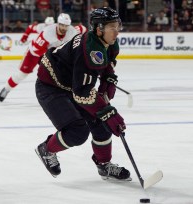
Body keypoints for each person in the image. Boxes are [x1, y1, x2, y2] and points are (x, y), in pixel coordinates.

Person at [34, 7, 131, 181]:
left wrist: (108, 78)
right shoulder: (89, 49)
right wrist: (108, 112)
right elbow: (82, 92)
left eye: (118, 25)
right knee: (77, 132)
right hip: (51, 87)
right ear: (99, 28)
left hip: (73, 85)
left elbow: (107, 63)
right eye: (112, 26)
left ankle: (104, 165)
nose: (117, 31)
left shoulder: (109, 42)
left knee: (101, 126)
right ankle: (46, 149)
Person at [0, 13, 77, 102]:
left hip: (50, 53)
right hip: (34, 53)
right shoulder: (47, 32)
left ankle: (59, 95)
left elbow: (81, 34)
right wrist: (25, 36)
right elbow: (36, 50)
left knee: (59, 74)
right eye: (62, 25)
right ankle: (7, 89)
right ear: (57, 24)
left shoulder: (72, 32)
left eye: (66, 26)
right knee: (22, 74)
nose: (63, 28)